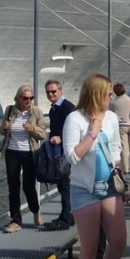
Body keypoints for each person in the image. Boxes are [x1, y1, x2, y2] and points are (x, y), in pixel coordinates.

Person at [62, 74, 126, 259]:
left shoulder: (111, 117)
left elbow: (116, 150)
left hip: (109, 185)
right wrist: (92, 132)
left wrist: (120, 172)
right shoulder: (74, 119)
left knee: (119, 241)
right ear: (96, 93)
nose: (111, 97)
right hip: (84, 189)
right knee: (89, 247)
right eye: (108, 93)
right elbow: (71, 157)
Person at [0, 85, 46, 233]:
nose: (28, 101)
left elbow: (43, 134)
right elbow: (1, 131)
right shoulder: (9, 110)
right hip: (11, 152)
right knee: (13, 187)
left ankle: (36, 210)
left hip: (29, 153)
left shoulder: (36, 112)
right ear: (18, 98)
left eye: (31, 98)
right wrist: (4, 128)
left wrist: (33, 130)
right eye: (25, 98)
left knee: (28, 186)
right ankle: (16, 221)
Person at [44, 79, 76, 231]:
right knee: (62, 185)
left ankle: (65, 219)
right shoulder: (54, 108)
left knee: (65, 185)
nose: (50, 94)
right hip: (59, 151)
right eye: (48, 92)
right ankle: (67, 217)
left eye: (53, 91)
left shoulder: (67, 107)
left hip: (66, 152)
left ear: (60, 91)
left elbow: (74, 129)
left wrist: (60, 138)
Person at [110, 82, 130, 172]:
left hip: (121, 126)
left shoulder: (113, 102)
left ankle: (126, 168)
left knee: (124, 147)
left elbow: (111, 113)